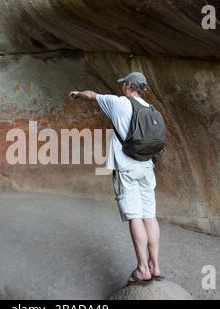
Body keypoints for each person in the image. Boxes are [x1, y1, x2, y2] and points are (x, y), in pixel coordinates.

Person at [68, 72, 162, 284]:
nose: (122, 87)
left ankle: (142, 268)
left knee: (135, 217)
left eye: (124, 84)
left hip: (127, 169)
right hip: (147, 167)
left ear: (129, 85)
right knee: (150, 216)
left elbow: (92, 95)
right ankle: (155, 265)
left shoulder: (118, 102)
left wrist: (77, 94)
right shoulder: (150, 108)